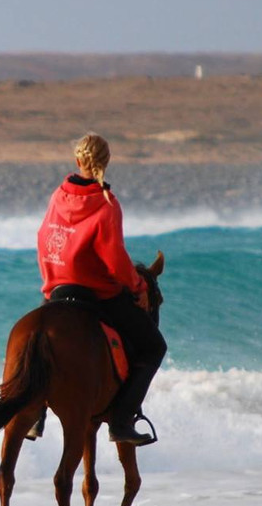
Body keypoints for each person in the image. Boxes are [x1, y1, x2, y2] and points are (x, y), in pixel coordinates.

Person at [37, 133, 166, 446]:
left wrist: (51, 279)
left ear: (77, 161)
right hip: (96, 294)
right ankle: (121, 422)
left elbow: (44, 238)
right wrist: (138, 286)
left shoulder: (57, 196)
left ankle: (34, 414)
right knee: (154, 347)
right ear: (106, 162)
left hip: (56, 289)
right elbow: (115, 260)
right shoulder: (108, 205)